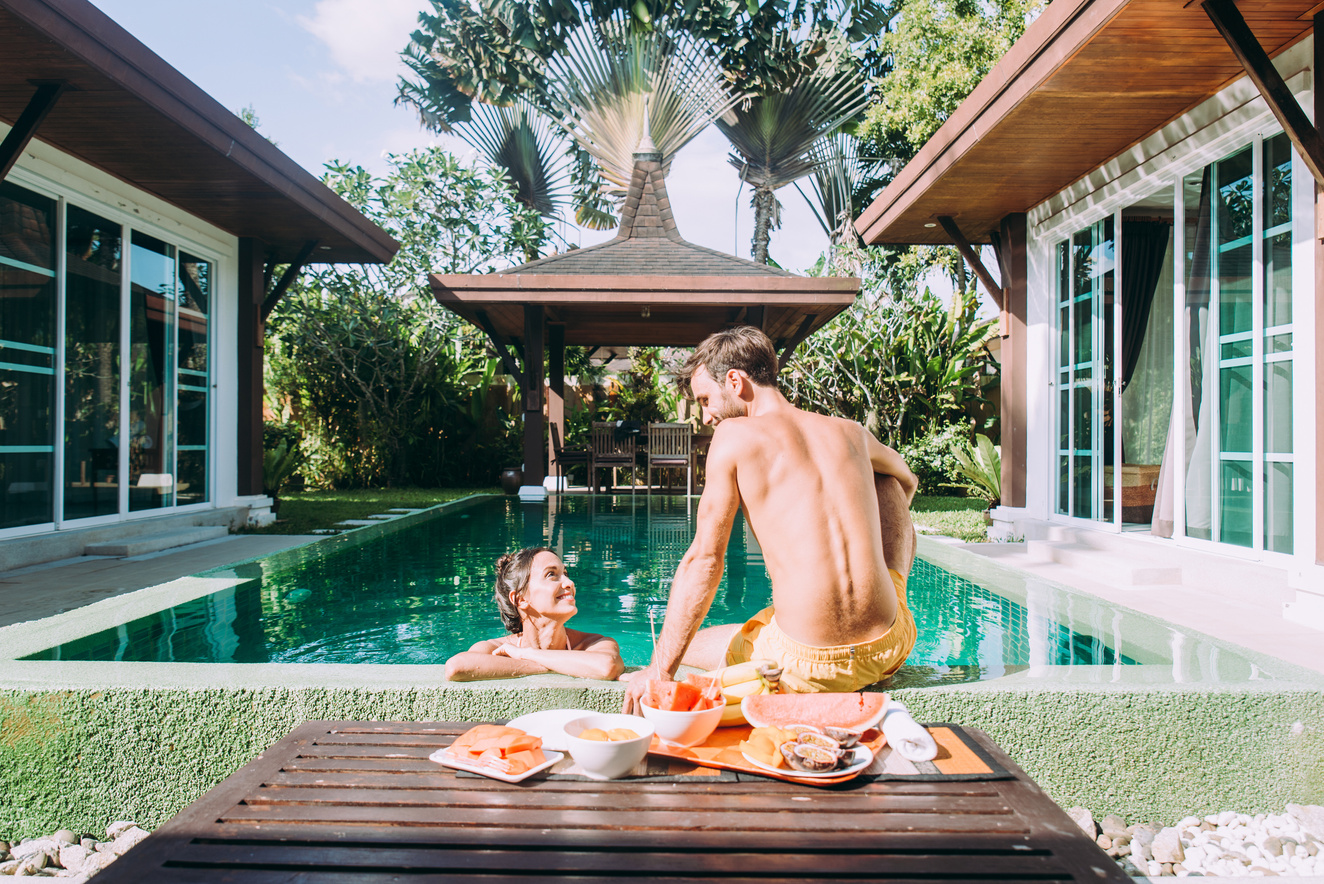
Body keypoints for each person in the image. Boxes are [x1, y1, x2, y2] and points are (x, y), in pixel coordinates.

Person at [621, 326, 919, 712]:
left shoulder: (735, 435)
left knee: (687, 644)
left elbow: (705, 561)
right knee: (885, 479)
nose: (707, 416)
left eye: (706, 400)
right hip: (890, 643)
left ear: (735, 381)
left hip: (803, 665)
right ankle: (887, 596)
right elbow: (905, 481)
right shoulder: (851, 432)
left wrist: (660, 671)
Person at [445, 547, 625, 681]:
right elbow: (457, 667)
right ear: (520, 599)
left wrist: (525, 654)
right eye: (551, 575)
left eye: (565, 573)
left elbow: (606, 666)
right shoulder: (496, 648)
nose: (569, 582)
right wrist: (557, 666)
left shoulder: (595, 643)